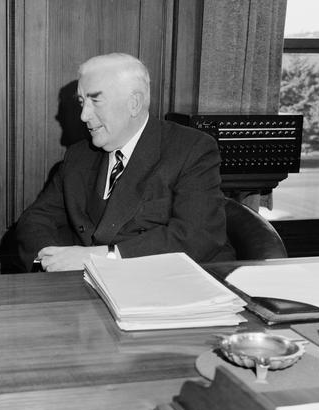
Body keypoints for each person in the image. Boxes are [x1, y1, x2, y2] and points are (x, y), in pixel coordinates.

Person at [16, 53, 235, 271]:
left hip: (168, 283)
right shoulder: (79, 155)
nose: (83, 115)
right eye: (82, 102)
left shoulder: (191, 149)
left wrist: (96, 258)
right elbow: (36, 219)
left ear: (134, 103)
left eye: (95, 101)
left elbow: (196, 236)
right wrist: (48, 262)